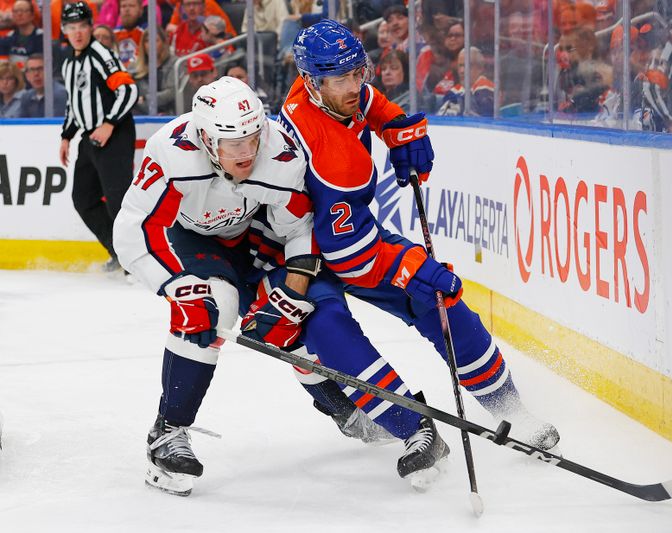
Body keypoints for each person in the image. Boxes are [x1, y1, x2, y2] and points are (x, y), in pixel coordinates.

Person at [274, 19, 561, 485]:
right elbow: (353, 259)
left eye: (357, 72)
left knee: (444, 306)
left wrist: (395, 127)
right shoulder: (332, 157)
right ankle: (411, 429)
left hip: (336, 229)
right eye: (342, 79)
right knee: (332, 333)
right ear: (313, 82)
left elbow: (367, 101)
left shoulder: (323, 89)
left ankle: (514, 412)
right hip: (310, 251)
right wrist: (411, 269)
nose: (354, 85)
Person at [113, 76, 382, 496]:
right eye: (232, 143)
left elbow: (298, 226)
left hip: (251, 232)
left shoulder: (279, 152)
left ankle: (341, 408)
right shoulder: (173, 151)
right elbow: (133, 228)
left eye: (252, 137)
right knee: (209, 306)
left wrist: (292, 292)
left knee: (291, 314)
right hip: (192, 238)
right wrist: (173, 285)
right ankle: (168, 431)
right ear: (204, 137)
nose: (247, 152)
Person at [58, 2, 138, 272]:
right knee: (83, 199)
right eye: (72, 27)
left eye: (82, 26)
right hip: (90, 138)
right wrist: (67, 135)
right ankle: (118, 253)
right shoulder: (69, 62)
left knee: (118, 201)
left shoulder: (99, 54)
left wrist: (109, 123)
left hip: (114, 135)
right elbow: (74, 102)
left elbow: (128, 90)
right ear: (64, 30)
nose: (78, 32)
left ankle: (135, 262)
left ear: (91, 27)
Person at [437, 46, 494, 117]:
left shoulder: (485, 89)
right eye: (460, 66)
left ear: (480, 68)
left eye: (467, 66)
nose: (462, 71)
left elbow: (483, 122)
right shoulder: (455, 90)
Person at [133, 26, 177, 115]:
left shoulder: (174, 63)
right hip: (141, 113)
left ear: (164, 43)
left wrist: (145, 99)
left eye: (155, 40)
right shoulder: (135, 67)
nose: (151, 45)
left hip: (168, 113)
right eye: (147, 41)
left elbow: (171, 92)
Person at [0, 0, 43, 67]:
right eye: (16, 11)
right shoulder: (8, 37)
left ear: (32, 15)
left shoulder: (42, 37)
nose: (19, 14)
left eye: (24, 11)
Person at [113, 0, 146, 69]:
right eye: (123, 6)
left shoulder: (147, 31)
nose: (127, 9)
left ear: (140, 10)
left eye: (131, 6)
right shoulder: (114, 33)